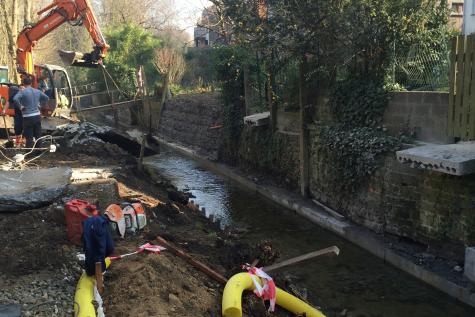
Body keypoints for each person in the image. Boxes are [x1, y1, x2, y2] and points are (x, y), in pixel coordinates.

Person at [13, 77, 49, 149]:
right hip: (37, 116)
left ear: (23, 83)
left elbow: (15, 99)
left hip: (27, 117)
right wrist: (40, 105)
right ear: (31, 83)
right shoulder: (37, 91)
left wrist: (21, 107)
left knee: (29, 136)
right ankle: (39, 151)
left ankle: (29, 153)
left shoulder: (22, 91)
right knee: (38, 135)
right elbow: (46, 98)